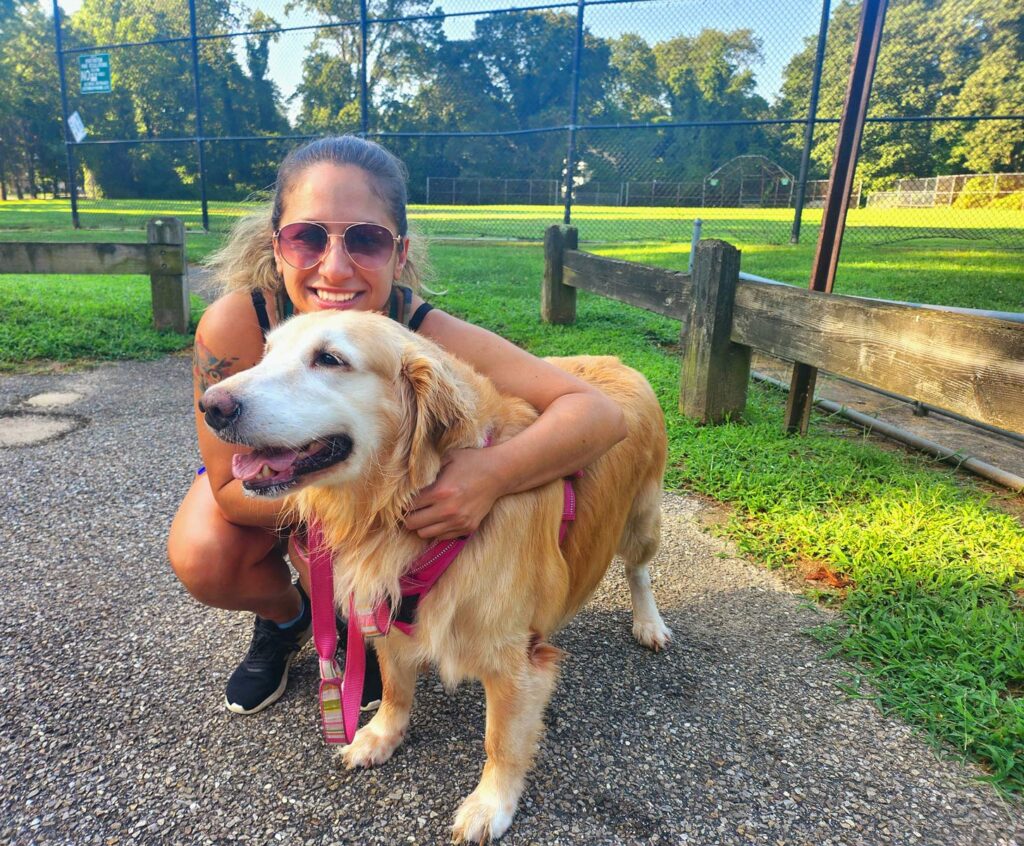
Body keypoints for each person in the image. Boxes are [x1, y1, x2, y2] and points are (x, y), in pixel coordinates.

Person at [166, 135, 627, 717]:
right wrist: (360, 527)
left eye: (365, 239)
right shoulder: (237, 321)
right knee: (204, 553)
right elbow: (232, 491)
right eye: (307, 237)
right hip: (300, 484)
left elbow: (599, 413)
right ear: (277, 246)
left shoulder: (420, 333)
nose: (334, 267)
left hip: (362, 482)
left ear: (399, 252)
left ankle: (365, 616)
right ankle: (289, 617)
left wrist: (490, 475)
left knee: (371, 554)